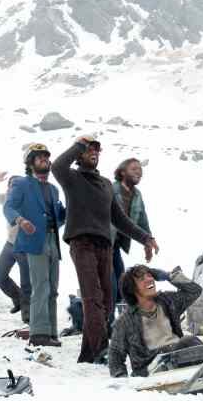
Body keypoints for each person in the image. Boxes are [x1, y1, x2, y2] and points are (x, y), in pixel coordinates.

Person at [52, 135, 159, 363]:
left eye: (96, 150)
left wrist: (145, 238)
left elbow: (119, 219)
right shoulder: (72, 178)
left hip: (105, 246)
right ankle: (101, 350)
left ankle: (88, 354)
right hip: (82, 243)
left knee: (108, 301)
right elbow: (57, 166)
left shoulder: (105, 185)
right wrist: (79, 144)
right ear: (79, 155)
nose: (93, 152)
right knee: (93, 298)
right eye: (89, 150)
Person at [4, 143, 67, 347]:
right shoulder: (21, 184)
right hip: (34, 242)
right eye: (39, 157)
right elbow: (9, 207)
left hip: (53, 241)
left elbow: (59, 216)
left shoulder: (54, 189)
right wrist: (21, 221)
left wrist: (70, 211)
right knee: (41, 286)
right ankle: (39, 333)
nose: (44, 160)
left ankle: (51, 332)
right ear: (30, 162)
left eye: (46, 157)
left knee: (53, 289)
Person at [109, 265, 203, 378]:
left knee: (191, 342)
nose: (149, 279)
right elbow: (115, 355)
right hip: (150, 375)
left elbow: (195, 291)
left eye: (150, 275)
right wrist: (124, 380)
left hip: (178, 362)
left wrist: (169, 276)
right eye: (142, 279)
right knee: (187, 341)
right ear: (132, 289)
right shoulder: (124, 321)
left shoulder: (167, 301)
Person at [0, 171, 32, 323]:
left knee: (26, 283)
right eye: (10, 186)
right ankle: (18, 299)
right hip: (9, 245)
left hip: (25, 247)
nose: (11, 189)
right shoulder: (6, 199)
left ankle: (28, 316)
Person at [110, 158, 152, 318]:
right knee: (110, 284)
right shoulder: (111, 189)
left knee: (121, 282)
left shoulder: (137, 195)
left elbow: (142, 220)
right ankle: (107, 322)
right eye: (134, 169)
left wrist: (148, 242)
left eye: (140, 169)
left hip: (116, 245)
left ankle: (120, 320)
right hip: (104, 241)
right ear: (122, 172)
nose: (138, 172)